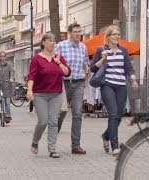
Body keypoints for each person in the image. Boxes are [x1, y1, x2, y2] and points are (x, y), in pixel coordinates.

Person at [90, 25, 138, 156]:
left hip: (121, 86)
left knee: (118, 116)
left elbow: (129, 68)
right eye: (114, 34)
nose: (117, 36)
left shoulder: (124, 51)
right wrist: (103, 58)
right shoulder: (101, 50)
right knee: (113, 114)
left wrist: (133, 79)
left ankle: (106, 135)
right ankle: (115, 146)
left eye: (119, 34)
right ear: (108, 37)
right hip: (107, 85)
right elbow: (92, 68)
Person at [27, 33, 71, 158]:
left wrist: (58, 63)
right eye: (50, 41)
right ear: (43, 43)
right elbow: (32, 76)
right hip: (40, 94)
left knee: (53, 122)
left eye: (54, 41)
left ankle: (52, 149)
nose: (52, 43)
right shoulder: (37, 59)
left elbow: (67, 73)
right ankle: (35, 142)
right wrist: (29, 90)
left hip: (56, 94)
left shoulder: (58, 57)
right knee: (43, 121)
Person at [54, 23, 89, 154]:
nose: (78, 34)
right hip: (64, 83)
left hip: (78, 83)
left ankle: (75, 145)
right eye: (75, 32)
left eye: (79, 31)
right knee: (61, 112)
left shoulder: (83, 47)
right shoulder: (61, 46)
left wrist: (85, 80)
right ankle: (53, 140)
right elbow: (53, 62)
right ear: (70, 33)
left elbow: (86, 65)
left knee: (77, 114)